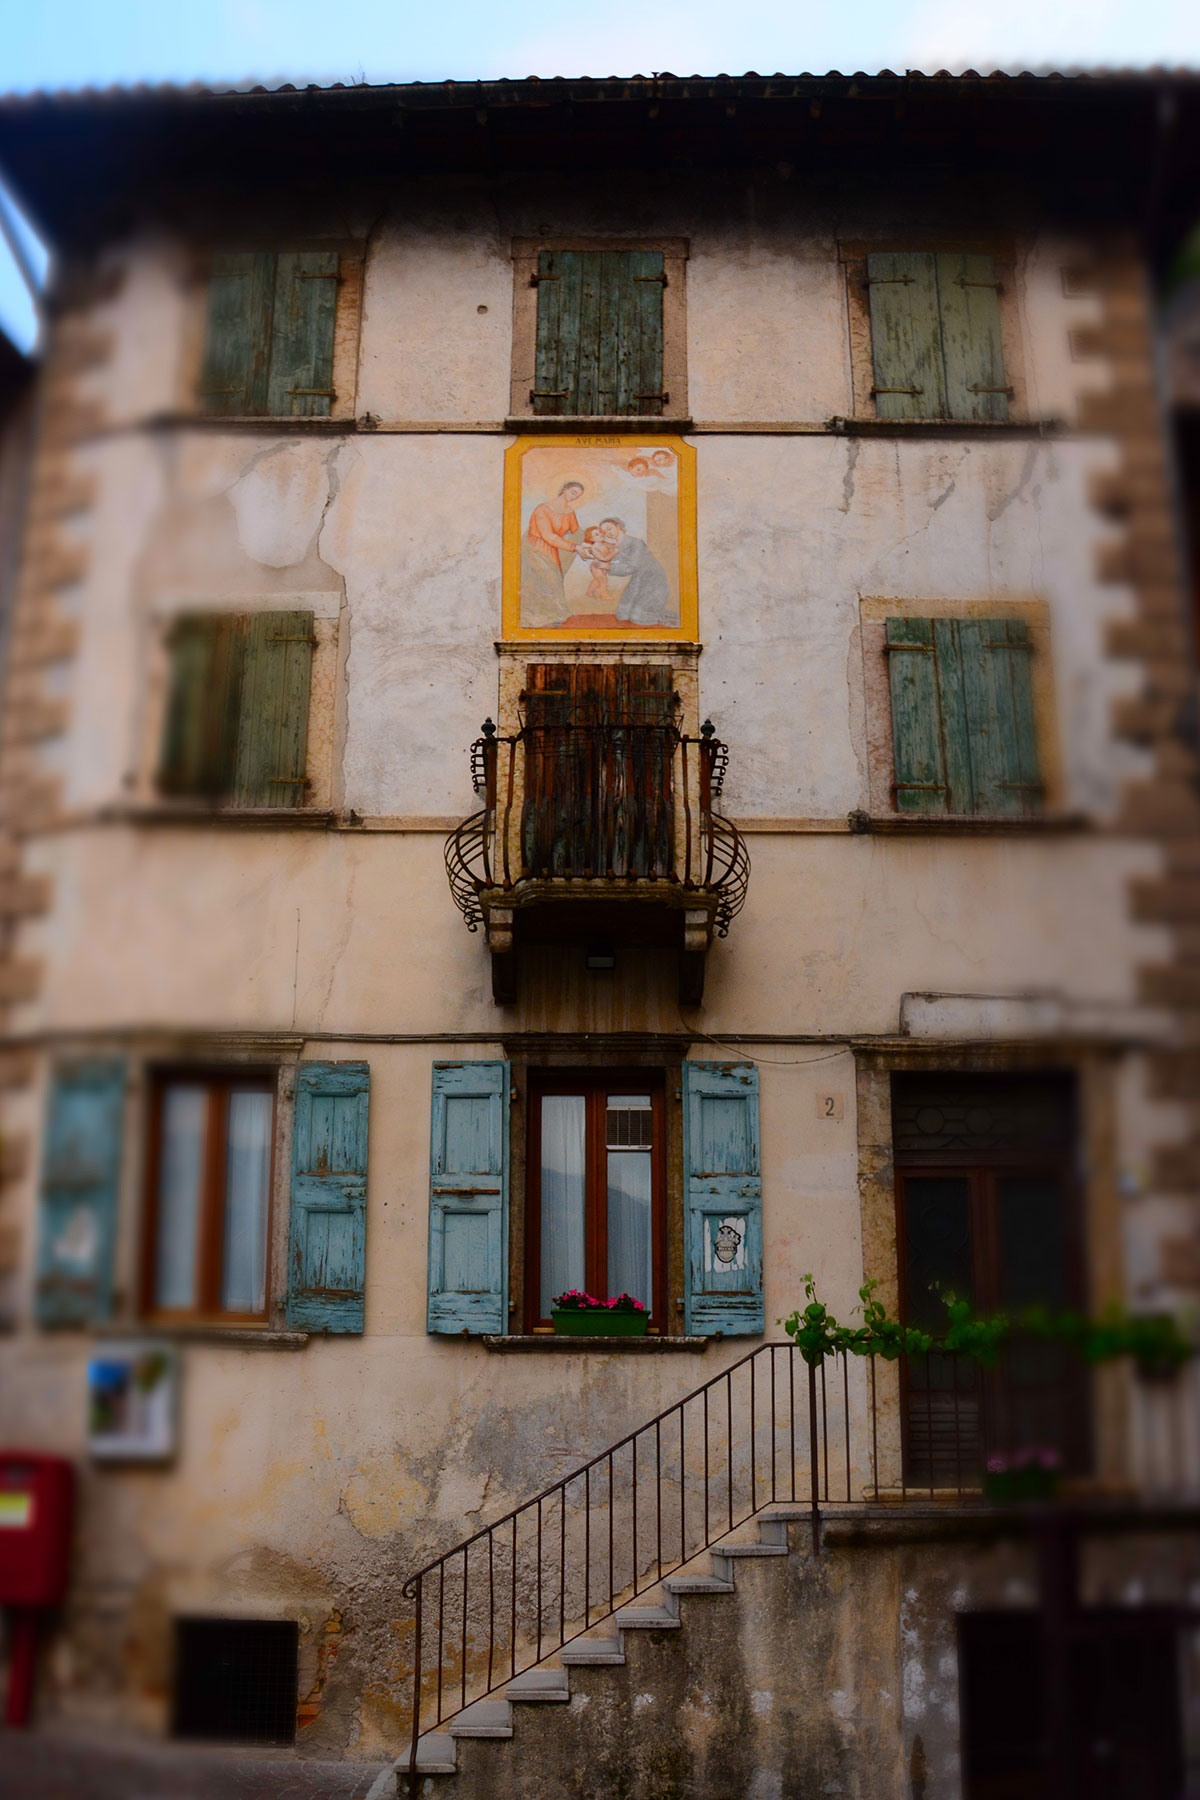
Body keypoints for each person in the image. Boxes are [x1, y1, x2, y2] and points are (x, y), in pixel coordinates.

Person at [521, 480, 586, 627]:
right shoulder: (543, 509)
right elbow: (548, 536)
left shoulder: (570, 512)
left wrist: (593, 542)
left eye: (577, 496)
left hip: (552, 550)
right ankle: (541, 617)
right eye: (573, 492)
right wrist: (575, 547)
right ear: (564, 489)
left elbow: (577, 533)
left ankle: (548, 617)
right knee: (548, 580)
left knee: (552, 581)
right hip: (535, 548)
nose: (574, 497)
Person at [599, 518, 675, 627]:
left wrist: (608, 566)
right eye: (604, 532)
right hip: (638, 579)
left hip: (653, 580)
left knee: (638, 617)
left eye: (609, 529)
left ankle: (662, 616)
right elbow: (615, 562)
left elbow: (632, 567)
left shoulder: (636, 543)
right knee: (622, 615)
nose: (607, 533)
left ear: (618, 527)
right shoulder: (617, 546)